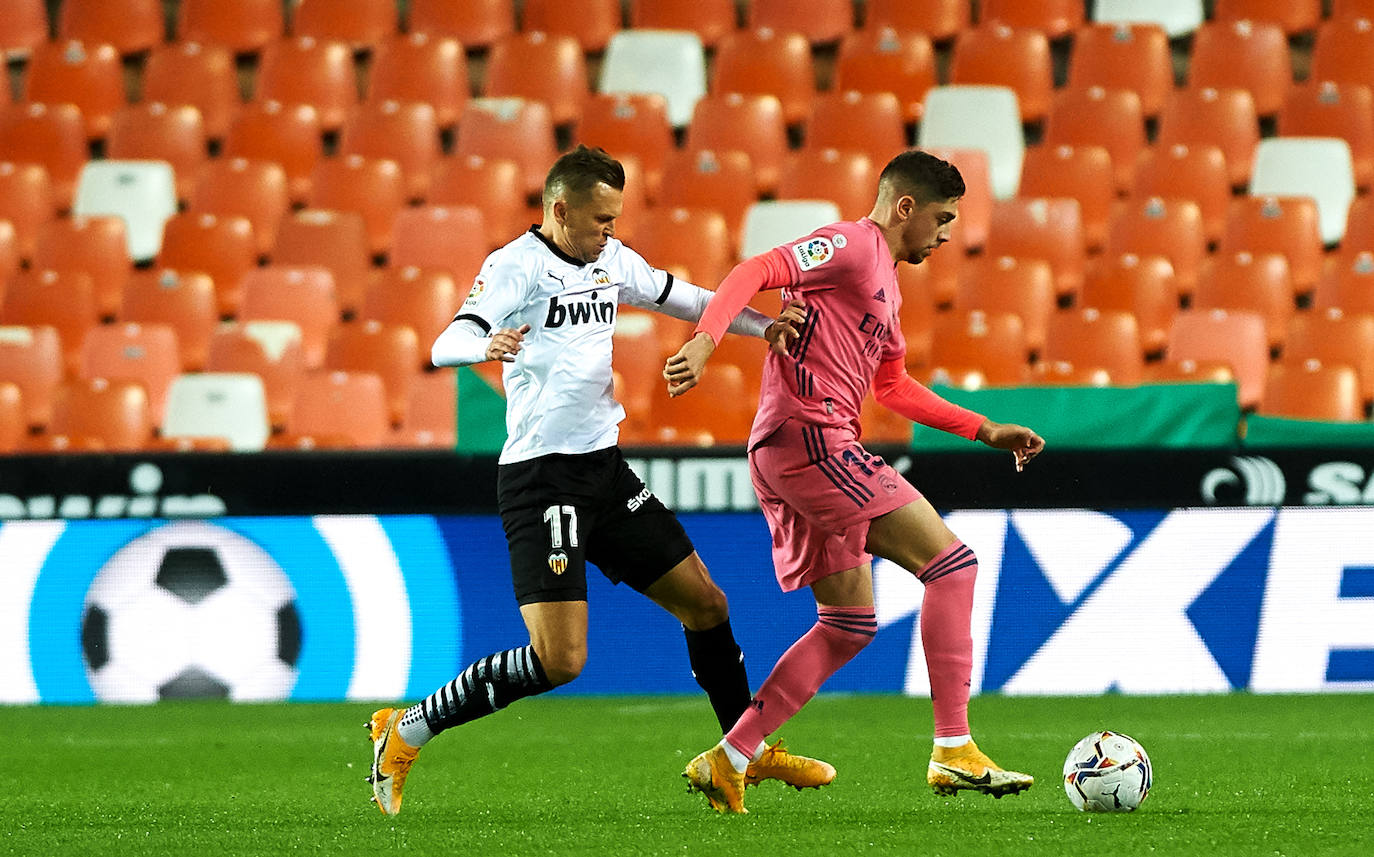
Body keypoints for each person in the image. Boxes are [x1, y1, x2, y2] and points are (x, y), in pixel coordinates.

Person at [364, 145, 832, 816]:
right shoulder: (514, 266)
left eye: (615, 220)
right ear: (559, 209)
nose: (609, 232)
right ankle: (404, 729)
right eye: (600, 220)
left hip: (604, 470)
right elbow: (446, 341)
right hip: (540, 476)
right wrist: (485, 345)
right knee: (560, 660)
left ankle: (742, 752)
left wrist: (762, 327)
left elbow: (685, 297)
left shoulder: (612, 260)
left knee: (707, 604)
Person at [664, 149, 1046, 814]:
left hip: (793, 448)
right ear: (905, 207)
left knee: (847, 622)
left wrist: (983, 429)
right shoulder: (850, 245)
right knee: (952, 565)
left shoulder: (887, 287)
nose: (948, 231)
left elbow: (892, 386)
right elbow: (758, 268)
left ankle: (729, 758)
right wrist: (707, 339)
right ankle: (954, 748)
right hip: (811, 441)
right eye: (942, 217)